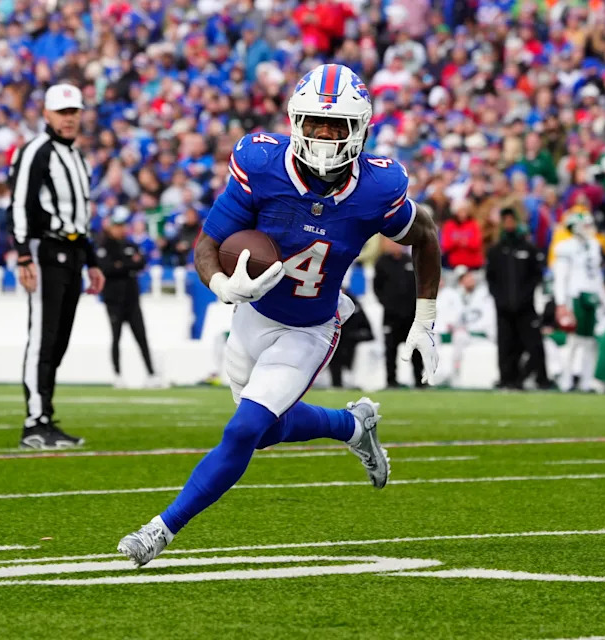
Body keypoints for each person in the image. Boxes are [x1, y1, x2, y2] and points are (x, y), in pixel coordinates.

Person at [118, 64, 441, 566]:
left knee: (243, 431)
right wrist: (223, 284)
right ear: (295, 120)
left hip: (310, 327)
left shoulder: (379, 186)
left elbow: (426, 235)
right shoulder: (262, 164)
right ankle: (353, 426)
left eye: (337, 126)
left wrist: (424, 319)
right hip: (251, 318)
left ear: (361, 129)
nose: (325, 136)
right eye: (315, 123)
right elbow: (208, 243)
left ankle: (160, 530)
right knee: (264, 434)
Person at [8, 83, 105, 450]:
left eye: (74, 112)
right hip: (44, 251)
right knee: (43, 338)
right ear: (46, 114)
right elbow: (19, 203)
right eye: (62, 112)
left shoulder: (78, 157)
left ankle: (44, 415)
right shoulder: (37, 150)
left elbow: (80, 216)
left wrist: (91, 260)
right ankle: (35, 422)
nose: (69, 119)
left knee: (59, 340)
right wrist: (21, 253)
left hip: (72, 253)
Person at [486, 208, 552, 390]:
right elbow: (491, 279)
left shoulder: (528, 249)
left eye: (511, 220)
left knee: (534, 345)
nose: (509, 224)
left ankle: (541, 379)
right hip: (504, 308)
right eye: (505, 220)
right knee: (506, 346)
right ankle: (508, 379)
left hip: (526, 307)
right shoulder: (496, 251)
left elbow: (536, 276)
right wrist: (499, 299)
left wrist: (526, 296)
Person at [97, 207, 161, 389]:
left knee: (141, 337)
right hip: (114, 300)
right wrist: (127, 265)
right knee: (116, 337)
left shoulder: (129, 245)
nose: (120, 229)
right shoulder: (104, 246)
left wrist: (121, 265)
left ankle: (151, 374)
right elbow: (107, 268)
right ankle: (117, 374)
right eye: (117, 226)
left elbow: (140, 263)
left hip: (132, 299)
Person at [552, 212, 604, 392]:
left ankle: (586, 380)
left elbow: (597, 275)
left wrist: (602, 299)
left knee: (590, 342)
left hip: (592, 296)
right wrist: (561, 303)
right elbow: (561, 277)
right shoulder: (565, 247)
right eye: (586, 225)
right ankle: (566, 380)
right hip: (575, 296)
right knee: (573, 341)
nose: (589, 229)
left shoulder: (594, 245)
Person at [374, 237, 424, 388]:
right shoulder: (382, 262)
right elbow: (377, 287)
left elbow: (418, 285)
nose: (395, 246)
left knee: (415, 348)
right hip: (391, 315)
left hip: (410, 314)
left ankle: (418, 380)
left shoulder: (410, 261)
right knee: (390, 349)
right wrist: (387, 304)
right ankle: (391, 380)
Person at [435, 265, 496, 387]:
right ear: (460, 282)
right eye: (464, 279)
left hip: (482, 332)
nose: (468, 280)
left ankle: (454, 373)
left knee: (460, 336)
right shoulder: (456, 295)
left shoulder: (484, 294)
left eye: (469, 277)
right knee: (456, 337)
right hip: (464, 332)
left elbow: (487, 316)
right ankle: (445, 373)